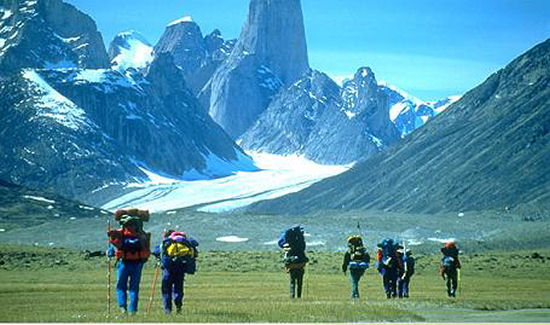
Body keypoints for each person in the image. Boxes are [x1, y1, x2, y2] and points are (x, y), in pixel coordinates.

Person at [107, 211, 151, 315]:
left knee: (121, 286)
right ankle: (133, 310)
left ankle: (123, 307)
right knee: (134, 288)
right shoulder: (141, 235)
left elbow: (115, 244)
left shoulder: (121, 234)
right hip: (138, 264)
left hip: (124, 263)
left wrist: (110, 247)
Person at [153, 230, 199, 314]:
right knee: (178, 288)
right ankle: (178, 305)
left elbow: (155, 251)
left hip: (168, 269)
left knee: (166, 290)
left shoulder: (167, 243)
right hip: (181, 268)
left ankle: (167, 310)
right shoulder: (185, 243)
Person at [278, 226, 308, 299]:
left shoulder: (288, 240)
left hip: (292, 264)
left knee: (292, 282)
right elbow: (303, 247)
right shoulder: (300, 241)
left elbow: (281, 244)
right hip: (300, 264)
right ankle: (299, 296)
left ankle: (292, 296)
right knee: (299, 282)